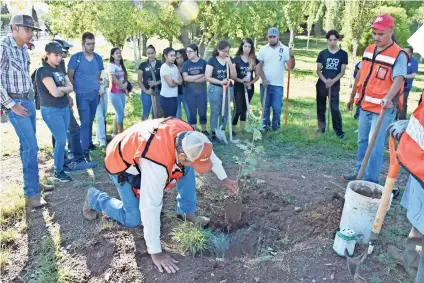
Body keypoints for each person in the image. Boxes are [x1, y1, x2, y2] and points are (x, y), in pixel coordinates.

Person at [82, 117, 239, 274]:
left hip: (146, 145)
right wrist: (156, 252)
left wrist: (223, 178)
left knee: (187, 169)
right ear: (182, 155)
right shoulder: (156, 164)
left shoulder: (192, 139)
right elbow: (150, 206)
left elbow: (206, 153)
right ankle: (94, 198)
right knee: (134, 219)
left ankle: (186, 211)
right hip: (122, 162)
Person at [343, 14, 408, 183]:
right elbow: (360, 74)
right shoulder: (369, 50)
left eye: (381, 34)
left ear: (390, 31)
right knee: (363, 141)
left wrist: (387, 98)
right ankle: (359, 174)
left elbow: (399, 79)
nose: (376, 37)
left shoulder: (398, 54)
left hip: (382, 110)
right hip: (365, 106)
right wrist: (351, 97)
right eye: (374, 33)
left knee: (375, 145)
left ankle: (370, 180)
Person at [0, 14, 54, 207]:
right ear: (15, 28)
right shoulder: (3, 47)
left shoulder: (23, 48)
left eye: (32, 30)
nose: (31, 33)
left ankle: (33, 183)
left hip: (28, 100)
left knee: (27, 146)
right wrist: (10, 104)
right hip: (15, 103)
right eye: (28, 29)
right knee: (31, 146)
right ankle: (31, 193)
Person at [387, 90, 424, 283]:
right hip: (420, 168)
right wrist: (410, 127)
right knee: (418, 222)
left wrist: (409, 132)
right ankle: (411, 260)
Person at [48, 39, 97, 169]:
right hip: (54, 104)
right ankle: (77, 160)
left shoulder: (61, 63)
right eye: (64, 50)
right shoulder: (47, 67)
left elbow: (65, 83)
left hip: (63, 100)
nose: (66, 53)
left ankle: (63, 158)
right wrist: (65, 91)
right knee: (73, 129)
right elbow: (57, 87)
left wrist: (68, 95)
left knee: (63, 130)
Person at [36, 42, 74, 182]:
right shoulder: (43, 71)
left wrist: (63, 89)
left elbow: (70, 87)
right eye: (56, 55)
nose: (59, 58)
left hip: (63, 107)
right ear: (47, 55)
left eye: (60, 55)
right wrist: (63, 89)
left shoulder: (58, 69)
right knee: (61, 139)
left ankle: (62, 164)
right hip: (51, 110)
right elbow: (55, 93)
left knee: (62, 138)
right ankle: (58, 171)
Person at [68, 32, 104, 156]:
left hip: (95, 94)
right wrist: (73, 90)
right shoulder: (76, 58)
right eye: (89, 44)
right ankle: (84, 149)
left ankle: (88, 143)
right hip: (82, 95)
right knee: (84, 121)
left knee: (90, 120)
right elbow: (70, 75)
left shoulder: (98, 58)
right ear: (83, 44)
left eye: (93, 43)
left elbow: (98, 75)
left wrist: (97, 86)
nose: (91, 46)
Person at [257, 27, 295, 131]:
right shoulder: (263, 49)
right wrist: (263, 79)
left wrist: (292, 56)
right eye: (270, 37)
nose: (272, 39)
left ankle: (276, 127)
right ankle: (265, 126)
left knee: (277, 108)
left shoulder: (285, 49)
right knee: (265, 107)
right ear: (267, 37)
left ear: (278, 36)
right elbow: (259, 66)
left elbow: (290, 67)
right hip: (265, 84)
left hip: (278, 84)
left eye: (274, 36)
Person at [316, 30, 348, 139]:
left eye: (334, 40)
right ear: (327, 40)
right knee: (321, 107)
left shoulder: (343, 54)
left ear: (337, 40)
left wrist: (332, 81)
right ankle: (321, 128)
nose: (332, 42)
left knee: (334, 108)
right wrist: (325, 81)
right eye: (330, 40)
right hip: (322, 83)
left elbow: (342, 71)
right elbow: (318, 70)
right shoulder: (322, 53)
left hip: (334, 84)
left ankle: (339, 132)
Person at [205, 40, 237, 141]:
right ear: (218, 49)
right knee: (216, 111)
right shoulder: (212, 60)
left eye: (228, 51)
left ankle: (222, 130)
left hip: (228, 88)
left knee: (226, 111)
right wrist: (220, 82)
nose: (226, 53)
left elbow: (234, 76)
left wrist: (230, 64)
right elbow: (207, 77)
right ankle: (214, 132)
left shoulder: (230, 59)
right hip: (215, 88)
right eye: (224, 51)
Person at [232, 38, 260, 133]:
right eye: (245, 46)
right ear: (242, 47)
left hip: (249, 88)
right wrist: (241, 80)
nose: (247, 48)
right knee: (238, 109)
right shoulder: (236, 59)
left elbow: (257, 76)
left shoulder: (254, 60)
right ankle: (232, 130)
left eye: (249, 46)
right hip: (238, 87)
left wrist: (251, 82)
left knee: (244, 108)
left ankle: (241, 130)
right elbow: (233, 76)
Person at [182, 44, 209, 135]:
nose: (187, 54)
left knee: (202, 112)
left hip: (202, 92)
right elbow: (185, 78)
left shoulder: (203, 63)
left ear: (196, 51)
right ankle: (193, 132)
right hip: (190, 93)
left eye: (190, 52)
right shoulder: (186, 64)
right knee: (192, 113)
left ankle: (204, 131)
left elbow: (206, 78)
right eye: (187, 52)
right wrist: (200, 75)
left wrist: (192, 78)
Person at [137, 45, 162, 120]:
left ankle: (156, 130)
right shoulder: (143, 65)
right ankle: (144, 130)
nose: (150, 55)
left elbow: (164, 78)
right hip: (146, 92)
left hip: (159, 92)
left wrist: (156, 83)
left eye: (152, 53)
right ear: (146, 54)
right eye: (148, 53)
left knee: (158, 114)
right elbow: (139, 80)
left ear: (155, 53)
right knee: (146, 113)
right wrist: (146, 91)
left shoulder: (161, 64)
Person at [108, 47, 129, 135]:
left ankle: (115, 134)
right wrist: (123, 87)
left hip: (121, 93)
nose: (119, 54)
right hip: (114, 93)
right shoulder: (111, 65)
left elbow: (124, 78)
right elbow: (114, 80)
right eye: (117, 53)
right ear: (112, 55)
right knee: (121, 114)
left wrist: (126, 88)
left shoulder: (121, 65)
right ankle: (121, 134)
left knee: (118, 113)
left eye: (120, 52)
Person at [159, 48, 183, 117]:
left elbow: (181, 80)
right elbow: (171, 84)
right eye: (171, 56)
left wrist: (175, 81)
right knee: (169, 120)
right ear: (166, 56)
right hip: (166, 98)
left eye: (174, 56)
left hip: (174, 97)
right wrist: (176, 82)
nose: (173, 58)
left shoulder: (174, 66)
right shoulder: (164, 67)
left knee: (173, 118)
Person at [397, 46, 419, 120]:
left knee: (403, 102)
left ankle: (402, 119)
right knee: (395, 102)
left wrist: (403, 76)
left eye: (406, 52)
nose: (404, 53)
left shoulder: (414, 61)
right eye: (403, 51)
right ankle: (393, 117)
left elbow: (413, 75)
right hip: (397, 84)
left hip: (406, 86)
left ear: (411, 53)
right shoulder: (400, 59)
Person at [175, 49, 190, 122]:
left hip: (186, 93)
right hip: (175, 93)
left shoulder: (188, 66)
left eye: (181, 57)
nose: (179, 60)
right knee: (177, 115)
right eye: (177, 58)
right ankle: (179, 130)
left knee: (189, 113)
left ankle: (191, 129)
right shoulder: (173, 67)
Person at [96, 70, 109, 147]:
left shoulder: (103, 71)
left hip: (104, 95)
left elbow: (106, 82)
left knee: (103, 116)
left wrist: (104, 88)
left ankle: (100, 135)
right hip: (95, 97)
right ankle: (102, 139)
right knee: (100, 117)